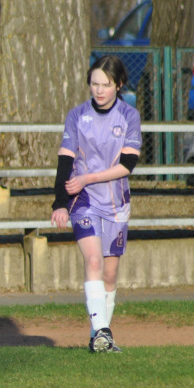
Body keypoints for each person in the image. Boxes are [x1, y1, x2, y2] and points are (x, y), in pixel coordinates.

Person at [51, 55, 141, 353]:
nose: (99, 90)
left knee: (110, 275)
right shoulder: (77, 116)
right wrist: (60, 203)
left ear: (119, 85)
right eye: (94, 83)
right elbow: (65, 161)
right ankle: (103, 329)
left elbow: (128, 165)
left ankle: (98, 338)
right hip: (83, 200)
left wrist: (89, 177)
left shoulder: (129, 116)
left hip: (115, 201)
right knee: (92, 261)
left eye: (105, 84)